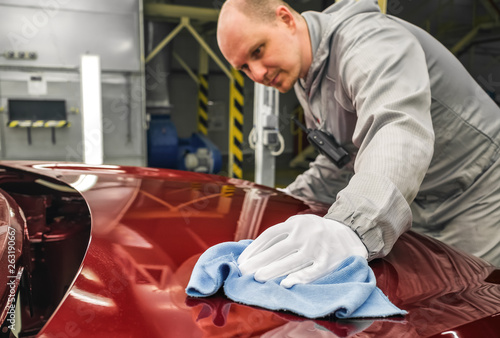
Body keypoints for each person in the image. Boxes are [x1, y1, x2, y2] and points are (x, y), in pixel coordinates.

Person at [216, 0, 500, 287]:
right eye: (244, 68)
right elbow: (339, 157)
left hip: (478, 189)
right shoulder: (307, 76)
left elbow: (396, 127)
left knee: (469, 299)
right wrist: (282, 200)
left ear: (286, 19)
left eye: (257, 51)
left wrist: (351, 226)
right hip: (418, 199)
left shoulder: (367, 41)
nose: (257, 74)